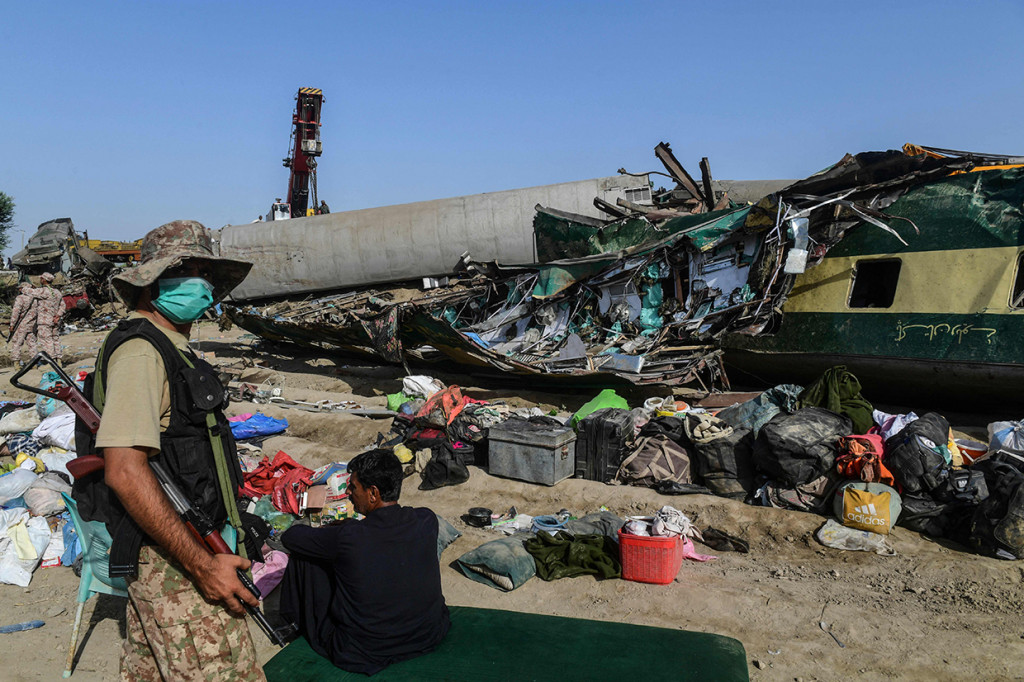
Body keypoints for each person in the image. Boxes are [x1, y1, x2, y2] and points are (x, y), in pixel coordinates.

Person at [73, 219, 263, 681]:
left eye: (205, 272)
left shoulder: (169, 346)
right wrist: (202, 567)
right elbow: (124, 471)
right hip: (173, 560)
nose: (200, 283)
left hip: (172, 554)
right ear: (150, 282)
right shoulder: (141, 353)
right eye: (185, 270)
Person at [279, 449, 450, 675]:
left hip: (366, 649)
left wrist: (334, 530)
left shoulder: (350, 537)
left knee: (306, 554)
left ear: (373, 493)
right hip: (428, 634)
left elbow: (290, 538)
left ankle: (292, 623)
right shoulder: (426, 519)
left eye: (353, 487)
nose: (348, 492)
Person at [8, 281, 43, 366]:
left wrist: (12, 324)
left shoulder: (20, 298)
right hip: (32, 325)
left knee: (17, 343)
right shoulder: (36, 299)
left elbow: (16, 312)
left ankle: (16, 364)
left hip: (21, 325)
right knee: (32, 344)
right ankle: (34, 364)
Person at [36, 272, 64, 364]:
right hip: (55, 321)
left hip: (45, 321)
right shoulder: (57, 292)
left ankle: (51, 362)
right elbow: (63, 305)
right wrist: (58, 316)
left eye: (41, 278)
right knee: (55, 339)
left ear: (44, 280)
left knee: (46, 341)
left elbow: (29, 292)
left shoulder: (42, 291)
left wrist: (24, 288)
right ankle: (59, 360)